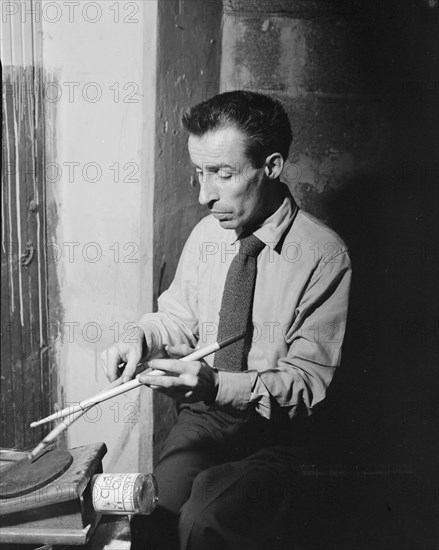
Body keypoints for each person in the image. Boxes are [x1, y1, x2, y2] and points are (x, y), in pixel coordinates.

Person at [100, 91, 352, 550]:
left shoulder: (324, 255)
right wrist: (143, 338)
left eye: (223, 173)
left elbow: (308, 386)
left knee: (203, 522)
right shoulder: (207, 233)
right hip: (206, 417)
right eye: (200, 172)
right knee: (150, 510)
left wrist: (218, 385)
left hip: (280, 434)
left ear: (272, 166)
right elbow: (178, 318)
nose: (203, 194)